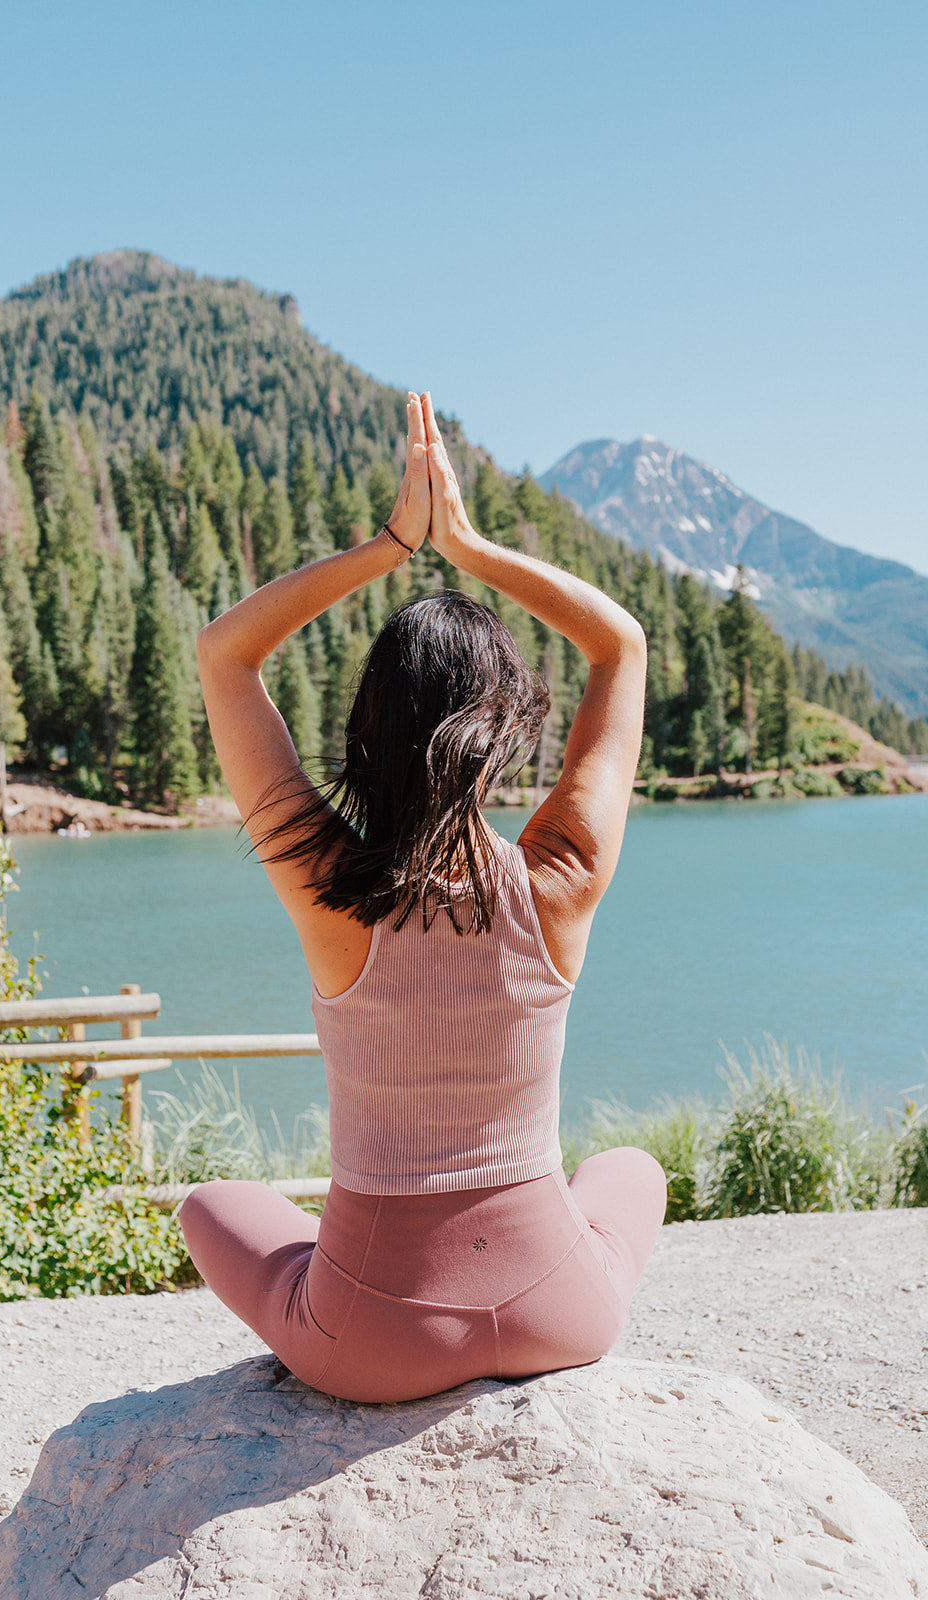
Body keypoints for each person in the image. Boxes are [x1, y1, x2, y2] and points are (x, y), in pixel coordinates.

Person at [182, 392, 666, 1404]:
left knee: (209, 1204)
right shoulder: (559, 877)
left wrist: (388, 545)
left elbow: (223, 654)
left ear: (367, 725)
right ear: (506, 726)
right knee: (627, 1169)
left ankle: (350, 1273)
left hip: (371, 1337)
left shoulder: (330, 888)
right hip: (558, 1311)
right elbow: (619, 644)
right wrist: (469, 545)